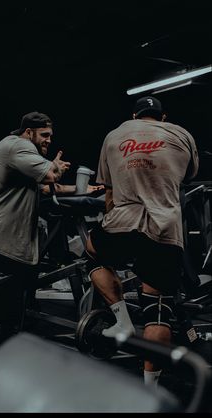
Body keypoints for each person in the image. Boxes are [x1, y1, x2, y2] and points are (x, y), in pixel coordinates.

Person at [85, 96, 199, 386]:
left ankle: (122, 320)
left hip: (122, 222)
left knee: (92, 252)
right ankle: (150, 388)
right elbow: (187, 175)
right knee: (158, 310)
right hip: (164, 227)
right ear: (162, 117)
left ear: (135, 115)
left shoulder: (114, 136)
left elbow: (109, 193)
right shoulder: (181, 133)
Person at [0, 111, 72, 365]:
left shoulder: (19, 153)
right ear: (28, 132)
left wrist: (84, 189)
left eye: (51, 135)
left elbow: (43, 185)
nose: (49, 140)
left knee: (12, 292)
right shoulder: (18, 146)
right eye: (45, 135)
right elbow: (51, 176)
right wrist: (57, 167)